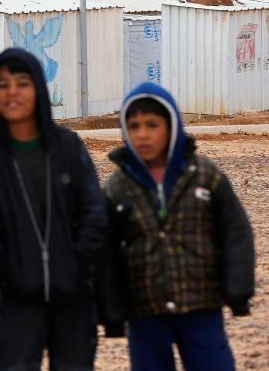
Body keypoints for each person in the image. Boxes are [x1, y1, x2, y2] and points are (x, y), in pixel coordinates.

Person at [97, 82, 255, 371]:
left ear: (172, 126)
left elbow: (235, 231)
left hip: (201, 304)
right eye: (133, 126)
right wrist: (111, 309)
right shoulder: (117, 187)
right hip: (144, 311)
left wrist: (238, 289)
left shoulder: (205, 175)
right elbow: (105, 253)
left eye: (152, 124)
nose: (142, 134)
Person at [0, 48, 106, 371]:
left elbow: (94, 210)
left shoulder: (67, 145)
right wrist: (6, 265)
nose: (12, 92)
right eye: (2, 85)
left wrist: (76, 262)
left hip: (73, 296)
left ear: (38, 90)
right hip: (18, 296)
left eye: (22, 83)